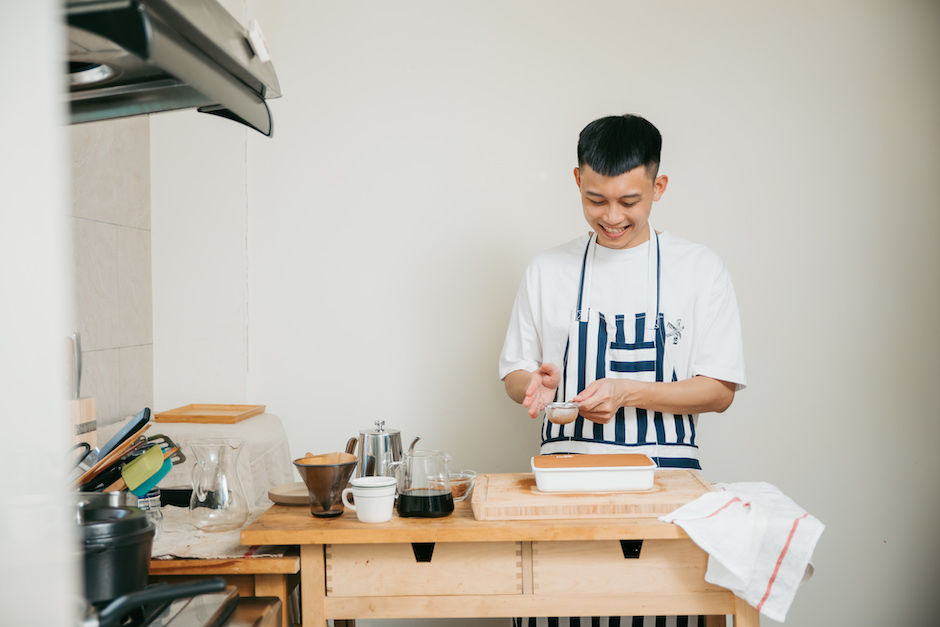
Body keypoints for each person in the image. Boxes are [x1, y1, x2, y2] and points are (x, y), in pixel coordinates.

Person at [498, 114, 747, 627]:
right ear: (577, 181)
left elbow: (720, 390)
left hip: (667, 489)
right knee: (555, 610)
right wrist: (540, 388)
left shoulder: (699, 269)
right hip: (560, 490)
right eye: (596, 200)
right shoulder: (547, 270)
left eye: (629, 202)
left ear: (658, 186)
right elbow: (515, 376)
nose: (611, 216)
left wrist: (629, 392)